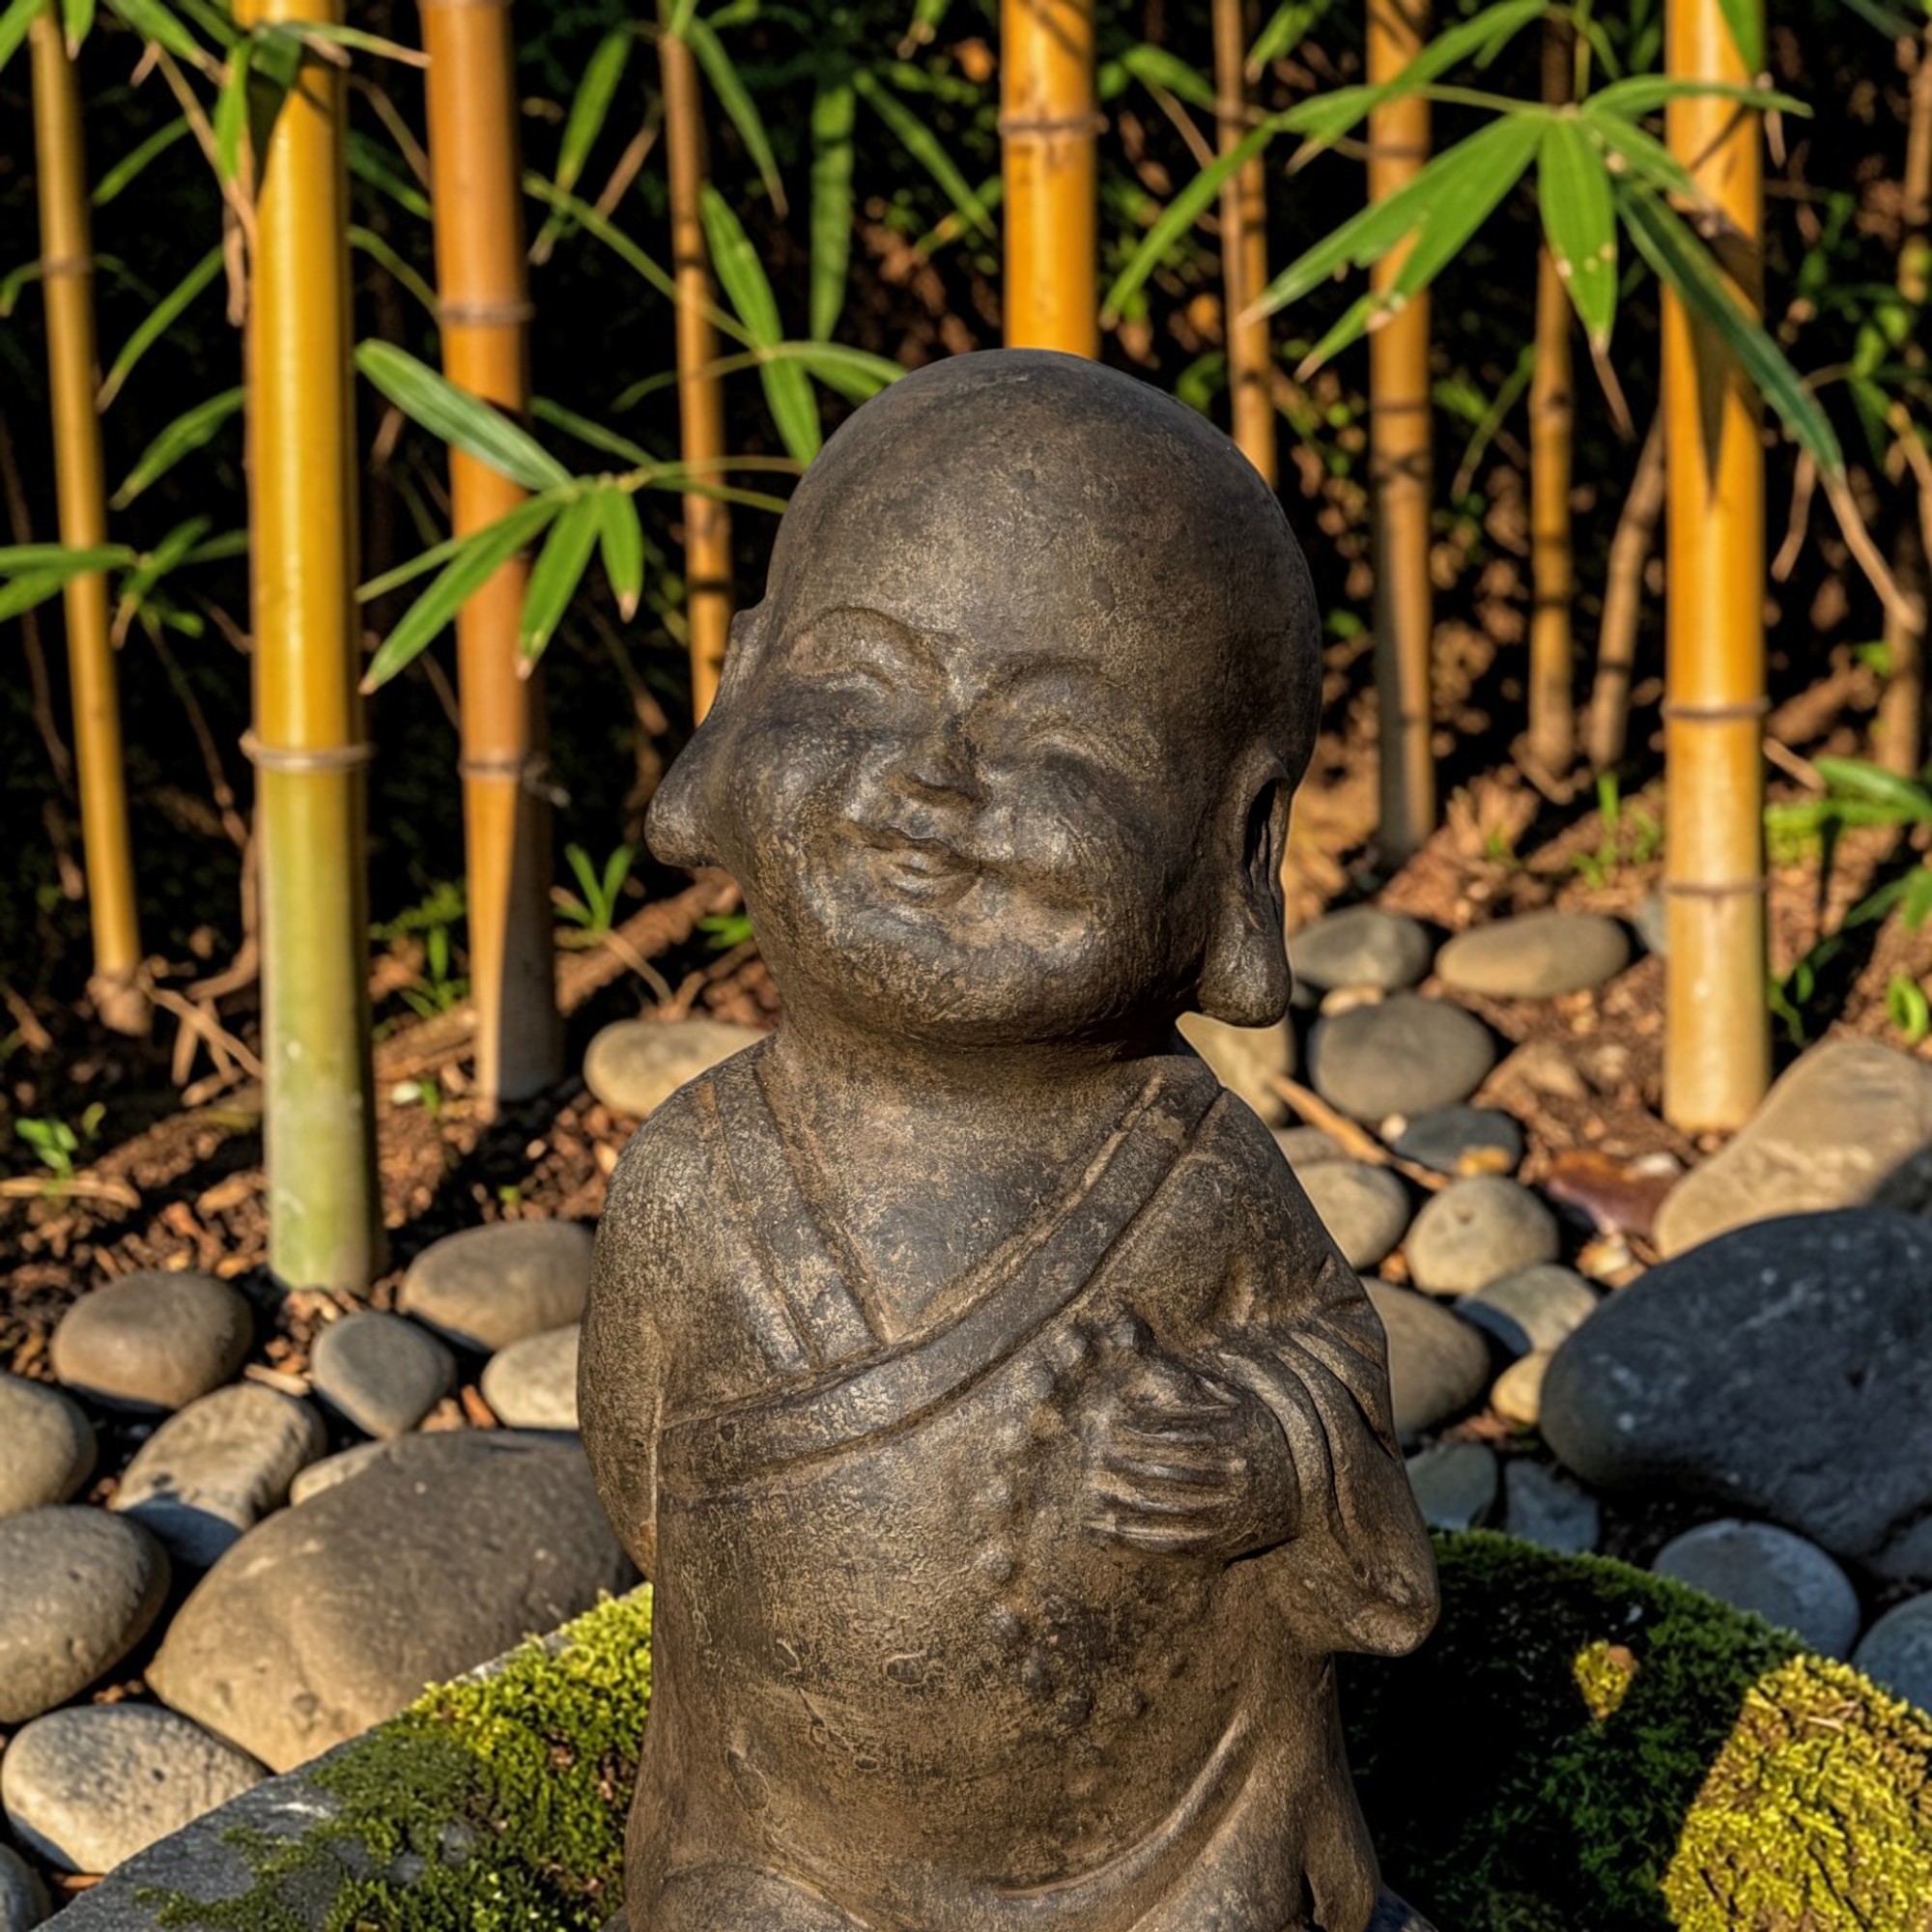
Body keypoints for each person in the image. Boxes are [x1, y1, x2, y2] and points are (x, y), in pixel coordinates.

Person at [581, 350, 1438, 1932]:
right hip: (789, 1841)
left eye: (1064, 743)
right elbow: (645, 1508)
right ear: (742, 688)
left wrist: (1274, 1456)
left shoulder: (1193, 1178)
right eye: (862, 677)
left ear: (1234, 844)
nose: (934, 776)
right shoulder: (700, 1176)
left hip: (1168, 1835)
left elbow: (1338, 1382)